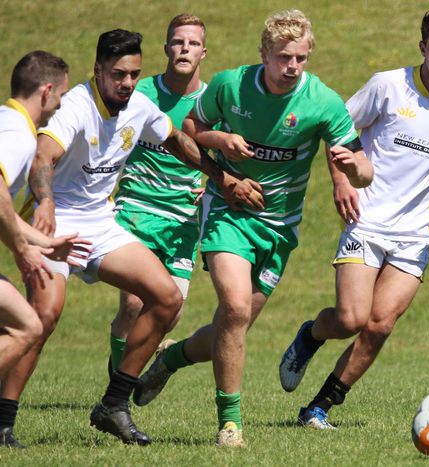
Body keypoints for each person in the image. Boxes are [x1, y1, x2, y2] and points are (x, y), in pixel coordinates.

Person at [133, 9, 373, 448]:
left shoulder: (323, 102)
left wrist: (355, 169)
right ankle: (230, 425)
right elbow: (191, 128)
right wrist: (221, 148)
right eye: (283, 57)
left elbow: (364, 172)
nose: (292, 67)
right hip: (228, 211)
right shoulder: (230, 85)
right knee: (236, 307)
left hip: (280, 227)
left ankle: (170, 360)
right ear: (264, 53)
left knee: (234, 326)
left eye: (300, 58)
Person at [0, 29, 240, 447]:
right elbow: (43, 158)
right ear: (98, 71)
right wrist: (46, 204)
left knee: (167, 297)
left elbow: (177, 140)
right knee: (43, 317)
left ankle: (114, 403)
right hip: (55, 223)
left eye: (133, 74)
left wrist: (222, 177)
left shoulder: (138, 105)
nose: (127, 83)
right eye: (118, 75)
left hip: (101, 223)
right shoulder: (75, 105)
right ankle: (3, 423)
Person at [278, 7, 429, 430]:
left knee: (379, 326)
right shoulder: (388, 85)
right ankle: (310, 336)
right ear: (422, 47)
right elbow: (335, 126)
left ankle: (318, 408)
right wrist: (341, 181)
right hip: (367, 219)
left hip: (414, 233)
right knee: (351, 319)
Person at [0, 50, 92, 448]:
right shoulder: (19, 136)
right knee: (26, 326)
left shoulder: (6, 122)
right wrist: (23, 249)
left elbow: (5, 206)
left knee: (23, 325)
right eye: (62, 95)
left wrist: (46, 241)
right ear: (47, 90)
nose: (62, 104)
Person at [107, 14, 208, 375]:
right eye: (178, 42)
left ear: (203, 52)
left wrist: (210, 188)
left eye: (193, 43)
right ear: (166, 48)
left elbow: (223, 153)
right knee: (134, 303)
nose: (185, 48)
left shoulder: (211, 102)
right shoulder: (142, 93)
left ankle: (149, 364)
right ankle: (117, 388)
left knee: (172, 311)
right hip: (137, 206)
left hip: (182, 218)